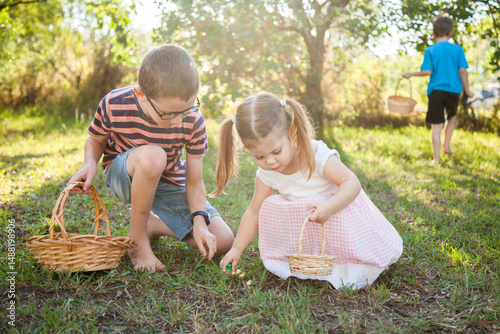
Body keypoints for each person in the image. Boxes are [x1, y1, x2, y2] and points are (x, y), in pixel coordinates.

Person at [69, 44, 234, 272]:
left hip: (167, 183)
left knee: (223, 240)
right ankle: (136, 241)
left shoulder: (194, 120)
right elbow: (96, 139)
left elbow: (194, 180)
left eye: (186, 110)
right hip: (125, 175)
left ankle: (150, 224)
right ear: (141, 95)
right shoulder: (114, 103)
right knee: (155, 156)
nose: (178, 121)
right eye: (169, 114)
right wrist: (90, 164)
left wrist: (199, 222)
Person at [213, 92, 402, 289]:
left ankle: (342, 262)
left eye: (276, 151)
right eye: (259, 157)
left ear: (292, 133)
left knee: (353, 271)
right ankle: (308, 261)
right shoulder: (267, 173)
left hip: (337, 215)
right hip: (307, 229)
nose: (269, 161)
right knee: (268, 205)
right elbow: (253, 211)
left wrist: (329, 206)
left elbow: (351, 183)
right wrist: (236, 248)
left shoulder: (316, 155)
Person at [403, 15, 474, 165]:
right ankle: (446, 146)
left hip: (436, 91)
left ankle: (437, 159)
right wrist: (467, 90)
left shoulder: (430, 50)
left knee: (436, 126)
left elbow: (427, 71)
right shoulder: (457, 50)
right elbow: (463, 71)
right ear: (451, 32)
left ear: (433, 34)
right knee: (451, 119)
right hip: (454, 91)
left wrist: (411, 74)